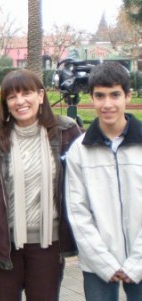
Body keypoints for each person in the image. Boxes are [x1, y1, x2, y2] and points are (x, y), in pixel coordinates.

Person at [0, 69, 82, 300]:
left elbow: (79, 185)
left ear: (40, 96)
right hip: (2, 246)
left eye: (26, 93)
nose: (20, 101)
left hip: (47, 246)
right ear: (5, 103)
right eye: (12, 96)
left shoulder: (65, 133)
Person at [65, 62, 142, 301]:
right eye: (100, 96)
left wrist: (137, 262)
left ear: (128, 96)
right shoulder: (79, 149)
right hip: (97, 265)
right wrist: (105, 263)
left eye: (115, 95)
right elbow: (77, 211)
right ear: (91, 98)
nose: (107, 104)